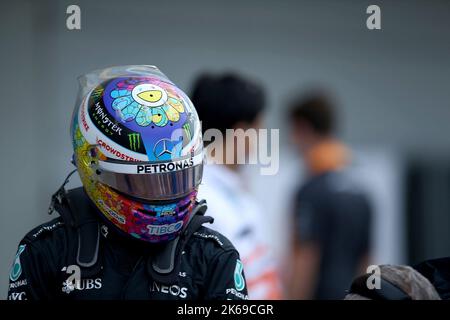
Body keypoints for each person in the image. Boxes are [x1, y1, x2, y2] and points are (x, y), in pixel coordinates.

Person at [7, 65, 248, 300]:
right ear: (92, 169)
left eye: (175, 179)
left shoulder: (212, 257)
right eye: (143, 183)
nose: (163, 196)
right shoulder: (46, 251)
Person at [191, 73, 282, 299]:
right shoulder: (200, 195)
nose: (262, 137)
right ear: (241, 131)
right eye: (260, 127)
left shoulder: (234, 189)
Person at [287, 90, 372, 299]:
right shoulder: (361, 192)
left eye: (293, 132)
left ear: (304, 128)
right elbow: (368, 262)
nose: (291, 141)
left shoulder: (311, 191)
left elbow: (305, 260)